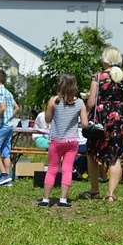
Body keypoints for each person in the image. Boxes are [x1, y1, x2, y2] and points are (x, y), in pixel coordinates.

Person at [79, 46, 123, 203]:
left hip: (101, 117)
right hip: (120, 117)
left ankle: (95, 190)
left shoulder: (98, 77)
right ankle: (111, 194)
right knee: (115, 156)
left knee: (92, 153)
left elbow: (92, 102)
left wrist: (86, 112)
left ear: (106, 60)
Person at [38, 74, 88, 207]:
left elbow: (47, 120)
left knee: (52, 168)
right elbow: (85, 123)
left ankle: (46, 199)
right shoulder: (80, 103)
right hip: (72, 141)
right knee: (67, 169)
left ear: (61, 84)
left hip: (56, 140)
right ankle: (63, 199)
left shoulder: (54, 100)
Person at [0, 70, 20, 187]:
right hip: (10, 126)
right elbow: (17, 108)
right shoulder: (8, 92)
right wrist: (9, 117)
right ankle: (8, 179)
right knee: (5, 152)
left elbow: (2, 107)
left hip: (2, 127)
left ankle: (3, 175)